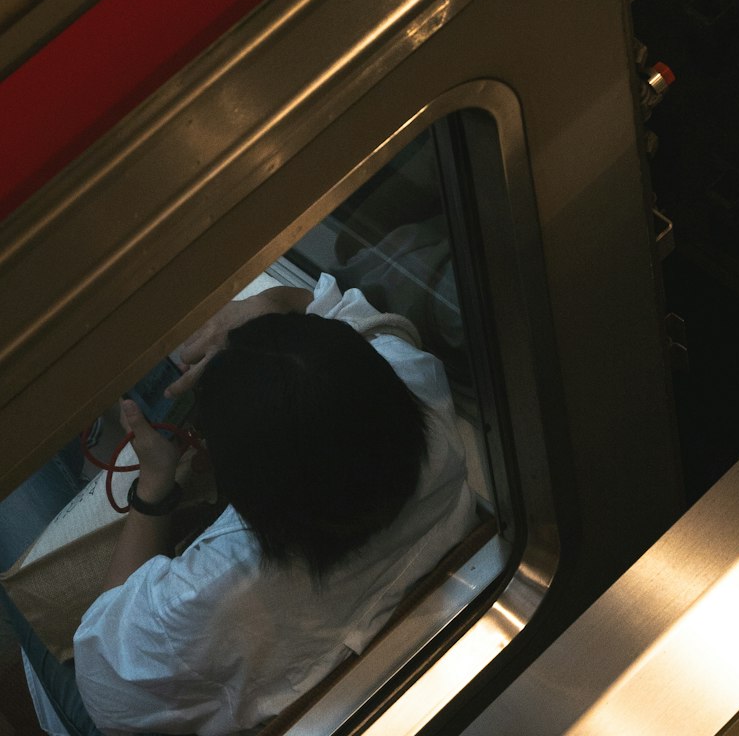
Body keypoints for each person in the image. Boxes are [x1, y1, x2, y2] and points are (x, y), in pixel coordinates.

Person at [25, 277, 476, 736]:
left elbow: (98, 672)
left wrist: (154, 487)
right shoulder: (424, 399)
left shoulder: (202, 598)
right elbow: (369, 327)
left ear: (237, 491)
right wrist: (275, 301)